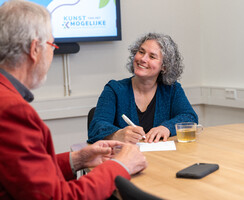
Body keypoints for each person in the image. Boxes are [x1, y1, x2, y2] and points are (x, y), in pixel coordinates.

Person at [0, 1, 147, 199]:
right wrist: (120, 166)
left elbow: (25, 176)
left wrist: (78, 159)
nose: (52, 52)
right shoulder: (11, 109)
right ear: (35, 49)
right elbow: (56, 197)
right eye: (52, 45)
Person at [88, 32, 198, 144]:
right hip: (123, 158)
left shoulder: (172, 89)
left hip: (162, 157)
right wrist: (116, 134)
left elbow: (189, 117)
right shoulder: (114, 89)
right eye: (141, 52)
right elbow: (96, 126)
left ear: (164, 66)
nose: (143, 59)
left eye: (152, 56)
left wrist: (166, 128)